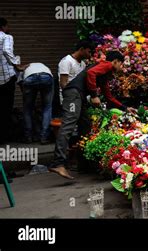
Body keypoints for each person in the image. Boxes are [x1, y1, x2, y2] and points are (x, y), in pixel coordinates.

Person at [49, 51, 134, 180]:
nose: (121, 67)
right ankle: (58, 163)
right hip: (73, 95)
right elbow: (90, 73)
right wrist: (94, 95)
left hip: (80, 98)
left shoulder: (105, 74)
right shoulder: (106, 65)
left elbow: (109, 97)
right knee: (68, 125)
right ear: (115, 61)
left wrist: (125, 108)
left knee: (86, 127)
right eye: (121, 64)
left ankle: (84, 165)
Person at [0, 17, 27, 145]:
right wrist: (17, 65)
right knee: (6, 108)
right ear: (3, 26)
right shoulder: (6, 37)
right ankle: (3, 138)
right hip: (6, 79)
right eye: (8, 26)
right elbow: (6, 50)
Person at [18, 63, 54, 144]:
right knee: (47, 107)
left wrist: (28, 101)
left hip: (29, 79)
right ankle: (44, 137)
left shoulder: (23, 70)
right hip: (46, 77)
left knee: (27, 109)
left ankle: (28, 137)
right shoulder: (43, 66)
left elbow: (22, 87)